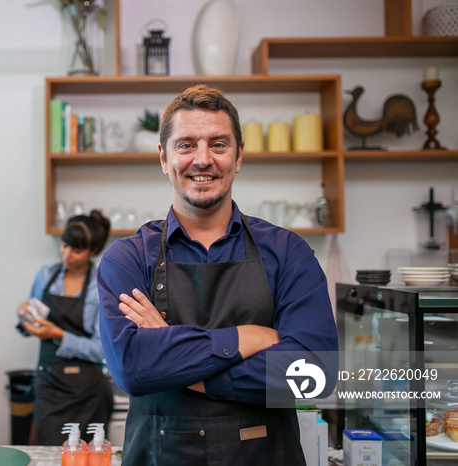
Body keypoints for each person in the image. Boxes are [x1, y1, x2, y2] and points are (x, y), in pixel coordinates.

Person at [97, 85, 338, 465]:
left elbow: (314, 374)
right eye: (186, 145)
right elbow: (132, 369)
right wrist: (248, 337)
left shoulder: (288, 253)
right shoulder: (127, 258)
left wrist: (178, 361)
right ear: (164, 157)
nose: (203, 159)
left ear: (239, 156)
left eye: (219, 144)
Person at [17, 210, 114, 445]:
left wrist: (58, 335)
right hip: (49, 384)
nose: (66, 254)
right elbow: (30, 320)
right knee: (52, 453)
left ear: (92, 251)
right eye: (65, 245)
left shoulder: (100, 285)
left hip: (89, 391)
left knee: (89, 456)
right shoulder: (46, 275)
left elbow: (102, 349)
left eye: (76, 250)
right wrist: (24, 317)